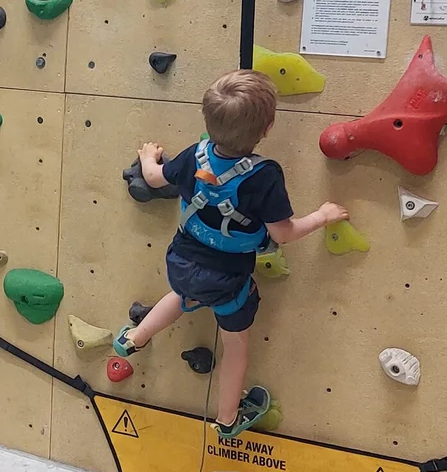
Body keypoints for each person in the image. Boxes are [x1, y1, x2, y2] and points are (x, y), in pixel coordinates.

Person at [114, 70, 349, 441]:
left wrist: (147, 158)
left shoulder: (195, 155)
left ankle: (133, 338)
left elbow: (156, 178)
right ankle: (227, 419)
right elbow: (283, 233)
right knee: (235, 346)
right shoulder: (264, 176)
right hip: (227, 282)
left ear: (207, 119)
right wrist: (321, 216)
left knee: (182, 294)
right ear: (267, 128)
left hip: (180, 261)